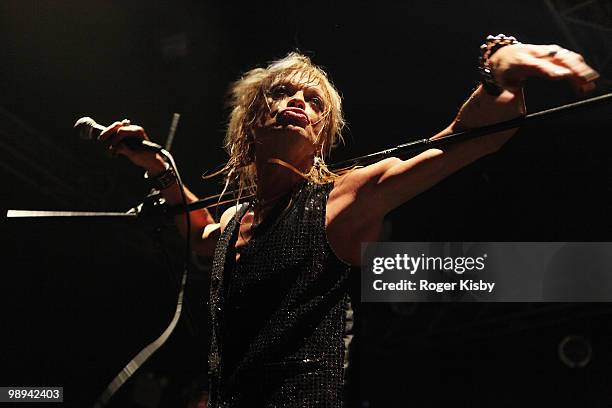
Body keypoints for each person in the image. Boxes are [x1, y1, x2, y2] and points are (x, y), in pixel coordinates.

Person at [99, 36, 598, 407]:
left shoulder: (342, 199)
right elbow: (200, 235)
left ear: (321, 138)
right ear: (252, 120)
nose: (298, 102)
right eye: (283, 93)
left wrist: (498, 74)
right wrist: (162, 170)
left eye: (313, 102)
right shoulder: (234, 221)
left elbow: (464, 138)